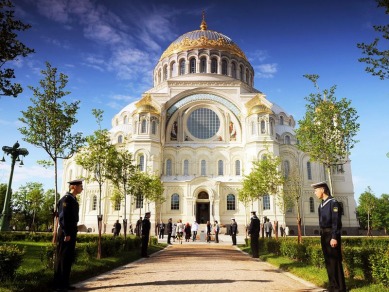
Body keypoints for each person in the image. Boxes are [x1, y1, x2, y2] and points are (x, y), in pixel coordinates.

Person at [312, 181, 346, 292]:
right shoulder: (321, 205)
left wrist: (334, 236)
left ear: (322, 189)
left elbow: (336, 221)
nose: (315, 193)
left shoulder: (333, 203)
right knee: (328, 261)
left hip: (332, 234)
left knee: (335, 261)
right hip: (324, 234)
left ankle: (339, 288)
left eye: (316, 190)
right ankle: (332, 286)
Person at [53, 178, 83, 291]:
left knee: (68, 258)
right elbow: (63, 217)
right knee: (62, 257)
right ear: (73, 187)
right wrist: (66, 232)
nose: (82, 188)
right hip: (66, 232)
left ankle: (65, 283)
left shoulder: (73, 199)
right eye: (80, 186)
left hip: (71, 231)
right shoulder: (66, 199)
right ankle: (58, 285)